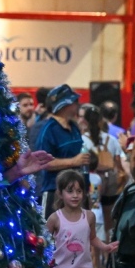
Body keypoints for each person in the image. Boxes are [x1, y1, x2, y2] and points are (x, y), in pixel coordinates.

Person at [80, 103, 125, 268]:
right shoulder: (111, 140)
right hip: (110, 186)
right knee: (108, 226)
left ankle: (93, 266)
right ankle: (109, 264)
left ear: (84, 121)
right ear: (100, 121)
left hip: (89, 186)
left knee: (91, 226)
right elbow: (118, 165)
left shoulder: (82, 140)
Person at [34, 84, 90, 219]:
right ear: (64, 105)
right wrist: (73, 161)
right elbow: (42, 162)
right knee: (52, 237)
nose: (78, 105)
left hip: (78, 193)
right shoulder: (48, 130)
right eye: (74, 102)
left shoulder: (74, 127)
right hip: (56, 194)